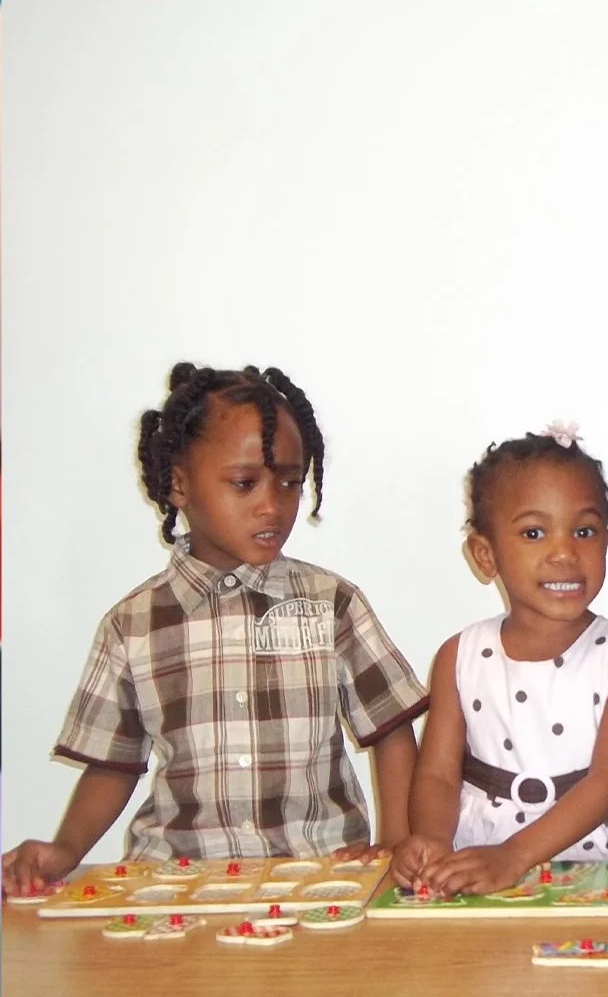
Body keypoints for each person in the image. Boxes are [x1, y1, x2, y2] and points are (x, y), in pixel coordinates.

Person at [2, 364, 427, 893]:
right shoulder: (132, 624)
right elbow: (114, 764)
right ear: (179, 484)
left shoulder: (331, 604)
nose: (273, 504)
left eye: (291, 482)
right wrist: (65, 850)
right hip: (176, 883)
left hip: (320, 876)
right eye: (244, 483)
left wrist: (393, 842)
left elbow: (390, 730)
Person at [393, 425, 608, 896]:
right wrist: (429, 839)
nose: (564, 553)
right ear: (485, 555)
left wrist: (515, 856)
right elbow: (437, 773)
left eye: (584, 531)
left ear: (606, 542)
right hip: (486, 845)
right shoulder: (459, 656)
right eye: (534, 533)